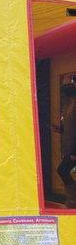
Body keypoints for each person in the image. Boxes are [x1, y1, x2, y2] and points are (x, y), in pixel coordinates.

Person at [53, 75, 76, 208]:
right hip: (70, 147)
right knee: (63, 170)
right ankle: (72, 200)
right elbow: (70, 127)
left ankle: (72, 200)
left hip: (73, 149)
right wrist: (60, 130)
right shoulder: (69, 104)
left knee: (62, 170)